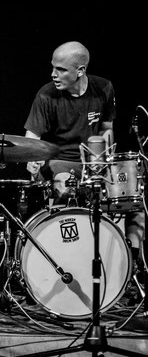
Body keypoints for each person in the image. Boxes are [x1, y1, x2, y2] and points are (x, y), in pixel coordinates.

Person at [24, 41, 144, 267]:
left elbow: (106, 128)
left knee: (135, 195)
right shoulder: (46, 95)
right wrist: (32, 160)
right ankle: (64, 254)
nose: (53, 74)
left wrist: (104, 161)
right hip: (59, 162)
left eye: (61, 69)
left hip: (93, 164)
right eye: (53, 67)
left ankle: (132, 262)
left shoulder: (104, 88)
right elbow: (32, 138)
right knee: (63, 183)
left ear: (80, 70)